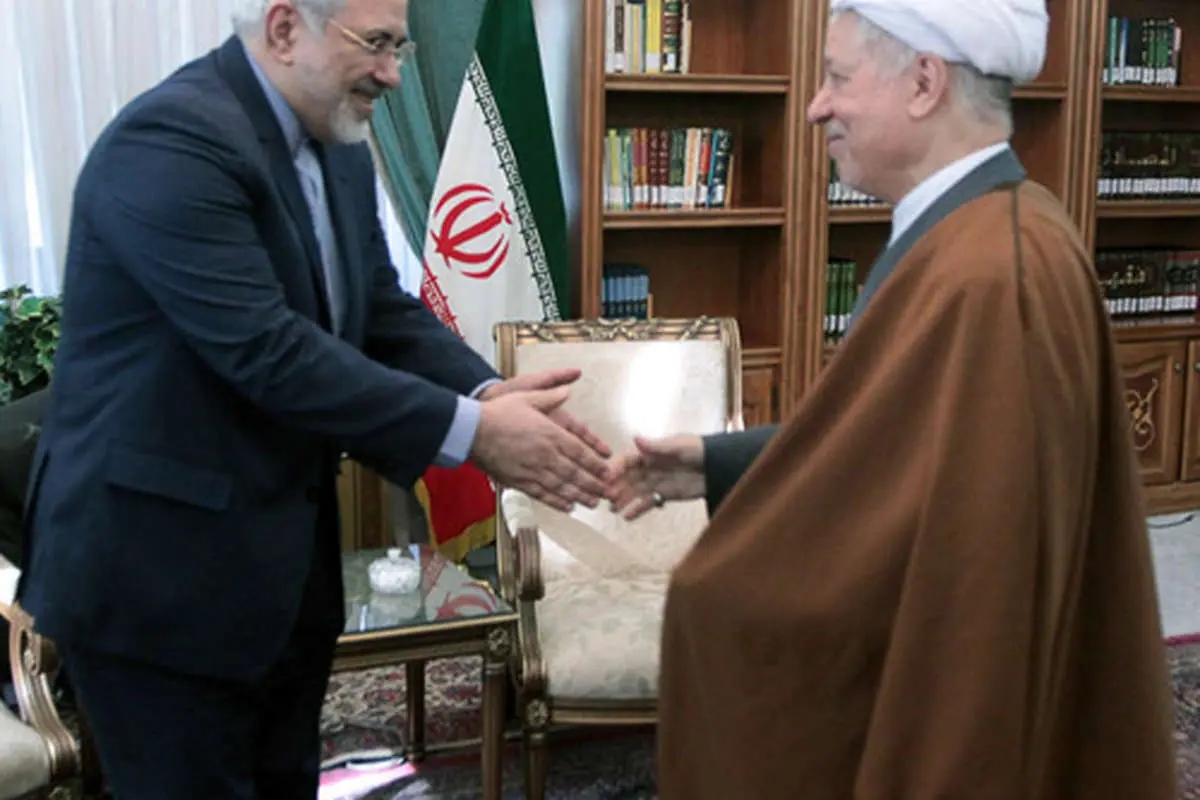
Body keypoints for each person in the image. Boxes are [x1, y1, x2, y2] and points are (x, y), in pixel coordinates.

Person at [16, 0, 610, 797]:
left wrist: (488, 388)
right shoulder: (171, 142)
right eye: (377, 45)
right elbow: (269, 352)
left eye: (399, 48)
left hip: (277, 570)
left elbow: (379, 308)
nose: (393, 74)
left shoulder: (337, 143)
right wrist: (474, 432)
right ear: (285, 27)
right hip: (157, 576)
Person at [606, 1, 1179, 797]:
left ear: (923, 84)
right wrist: (716, 463)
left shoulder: (991, 278)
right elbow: (896, 445)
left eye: (838, 78)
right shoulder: (972, 237)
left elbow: (980, 601)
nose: (817, 107)